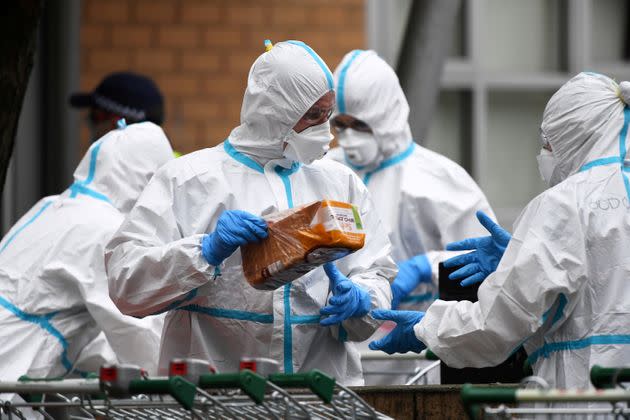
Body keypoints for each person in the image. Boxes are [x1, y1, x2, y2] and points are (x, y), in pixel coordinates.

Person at [105, 40, 396, 385]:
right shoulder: (189, 180)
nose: (325, 129)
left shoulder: (340, 182)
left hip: (321, 397)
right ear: (276, 112)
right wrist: (204, 252)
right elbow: (126, 283)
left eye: (328, 114)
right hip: (216, 399)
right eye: (313, 115)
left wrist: (362, 299)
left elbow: (377, 268)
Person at [370, 72, 630, 389]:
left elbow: (497, 326)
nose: (544, 154)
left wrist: (426, 328)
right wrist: (519, 259)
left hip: (586, 395)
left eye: (548, 144)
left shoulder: (563, 206)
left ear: (572, 136)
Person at [328, 50, 495, 384]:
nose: (348, 137)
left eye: (360, 125)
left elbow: (487, 265)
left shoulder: (441, 181)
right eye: (339, 124)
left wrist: (426, 266)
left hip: (418, 357)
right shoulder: (327, 172)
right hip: (338, 359)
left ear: (387, 115)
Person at [0, 121, 173, 381]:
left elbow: (73, 324)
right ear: (147, 181)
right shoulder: (103, 231)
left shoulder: (53, 206)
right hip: (11, 371)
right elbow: (139, 334)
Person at [70, 71, 165, 142]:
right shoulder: (172, 163)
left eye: (95, 116)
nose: (90, 124)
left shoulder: (107, 166)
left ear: (117, 123)